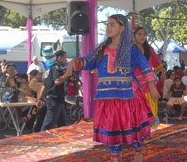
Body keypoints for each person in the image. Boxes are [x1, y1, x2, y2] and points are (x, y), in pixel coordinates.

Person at [66, 14, 155, 162]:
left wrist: (152, 88)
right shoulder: (101, 49)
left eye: (112, 24)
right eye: (107, 25)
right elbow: (87, 61)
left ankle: (138, 154)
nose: (108, 28)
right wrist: (73, 62)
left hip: (129, 97)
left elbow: (145, 67)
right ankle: (115, 159)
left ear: (121, 28)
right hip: (108, 98)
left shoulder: (131, 49)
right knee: (113, 134)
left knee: (134, 132)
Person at [132, 25, 161, 126]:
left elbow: (156, 63)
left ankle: (150, 134)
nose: (142, 37)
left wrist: (162, 70)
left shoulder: (149, 49)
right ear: (133, 36)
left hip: (149, 85)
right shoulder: (130, 50)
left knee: (151, 110)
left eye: (144, 34)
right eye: (139, 34)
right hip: (136, 86)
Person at [40, 50, 71, 131]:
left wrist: (40, 98)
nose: (66, 60)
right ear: (59, 58)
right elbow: (57, 81)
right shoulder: (55, 68)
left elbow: (44, 85)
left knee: (63, 123)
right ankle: (42, 138)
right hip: (54, 99)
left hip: (56, 99)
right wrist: (66, 75)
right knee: (49, 123)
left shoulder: (49, 70)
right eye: (65, 58)